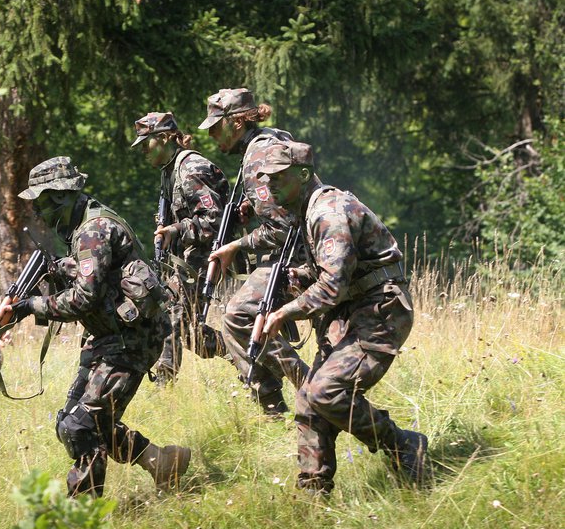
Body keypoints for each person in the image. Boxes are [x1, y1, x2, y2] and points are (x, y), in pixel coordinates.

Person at [8, 156, 191, 497]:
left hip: (131, 341)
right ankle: (161, 462)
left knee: (83, 424)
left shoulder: (92, 231)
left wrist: (31, 306)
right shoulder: (84, 226)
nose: (38, 213)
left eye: (41, 203)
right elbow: (93, 276)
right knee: (71, 423)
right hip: (108, 338)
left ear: (60, 197)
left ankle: (84, 513)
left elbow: (83, 299)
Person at [254, 140, 430, 493]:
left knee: (327, 391)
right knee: (308, 399)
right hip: (349, 313)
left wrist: (283, 313)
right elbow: (320, 274)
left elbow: (332, 286)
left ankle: (403, 445)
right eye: (266, 179)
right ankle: (314, 494)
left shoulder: (328, 213)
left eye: (278, 178)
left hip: (380, 310)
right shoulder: (301, 214)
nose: (269, 186)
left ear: (303, 175)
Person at [202, 88, 310, 414]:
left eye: (215, 126)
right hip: (304, 248)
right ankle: (274, 406)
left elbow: (281, 229)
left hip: (296, 256)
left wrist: (235, 245)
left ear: (236, 122)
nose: (210, 134)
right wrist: (252, 205)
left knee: (236, 318)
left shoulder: (257, 157)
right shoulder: (271, 139)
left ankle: (308, 388)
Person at [130, 111, 230, 382]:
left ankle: (164, 383)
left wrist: (175, 229)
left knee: (170, 317)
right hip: (186, 261)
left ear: (163, 138)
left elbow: (215, 220)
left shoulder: (190, 168)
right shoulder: (170, 171)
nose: (143, 152)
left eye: (146, 143)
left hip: (204, 259)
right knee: (191, 334)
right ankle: (242, 352)